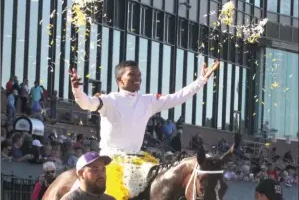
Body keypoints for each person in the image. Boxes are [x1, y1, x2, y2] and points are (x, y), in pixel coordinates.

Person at [70, 60, 219, 155]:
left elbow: (177, 97)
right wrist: (77, 90)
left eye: (139, 74)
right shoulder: (109, 100)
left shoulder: (148, 101)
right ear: (119, 80)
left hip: (137, 159)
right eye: (132, 74)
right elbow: (86, 103)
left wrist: (201, 81)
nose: (138, 78)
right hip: (110, 159)